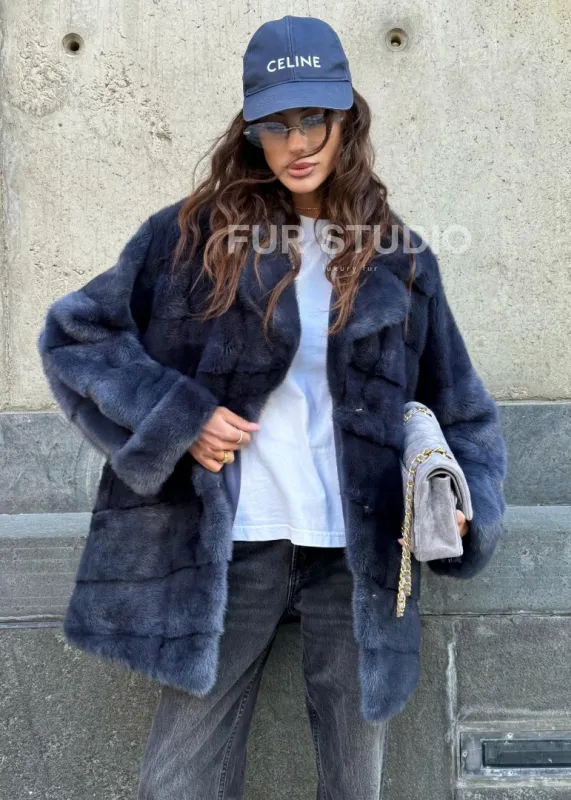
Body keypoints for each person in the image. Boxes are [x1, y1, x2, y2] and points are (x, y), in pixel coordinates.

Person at [37, 14, 508, 800]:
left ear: (346, 117)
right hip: (232, 548)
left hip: (357, 560)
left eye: (313, 118)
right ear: (251, 132)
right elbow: (75, 336)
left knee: (353, 784)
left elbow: (460, 410)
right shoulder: (190, 239)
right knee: (177, 781)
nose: (298, 143)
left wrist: (467, 509)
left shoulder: (398, 258)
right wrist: (180, 417)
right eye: (276, 125)